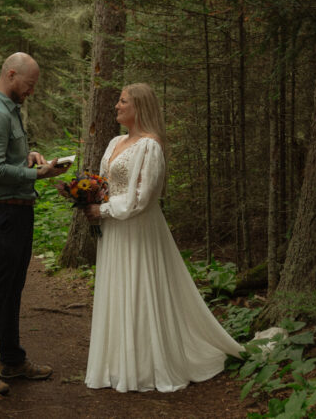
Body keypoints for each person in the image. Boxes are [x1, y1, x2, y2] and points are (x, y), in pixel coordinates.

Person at [82, 83, 244, 392]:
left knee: (138, 288)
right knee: (117, 288)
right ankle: (116, 365)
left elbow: (142, 198)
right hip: (114, 230)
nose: (116, 106)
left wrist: (102, 209)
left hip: (138, 230)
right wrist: (85, 195)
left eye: (123, 101)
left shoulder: (150, 146)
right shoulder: (116, 141)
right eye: (118, 100)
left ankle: (144, 366)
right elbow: (105, 182)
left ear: (139, 107)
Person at [0, 52, 71, 397]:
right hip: (3, 215)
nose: (32, 91)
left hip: (18, 213)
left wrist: (28, 158)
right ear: (11, 75)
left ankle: (11, 360)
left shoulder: (9, 112)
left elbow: (3, 161)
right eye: (30, 84)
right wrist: (36, 173)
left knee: (11, 291)